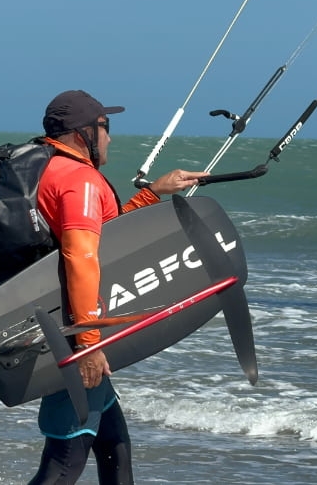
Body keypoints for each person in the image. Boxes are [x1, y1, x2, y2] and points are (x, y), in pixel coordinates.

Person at [28, 90, 209, 484]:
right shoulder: (79, 180)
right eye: (105, 128)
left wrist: (153, 194)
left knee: (116, 452)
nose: (110, 137)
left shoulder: (49, 168)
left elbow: (103, 235)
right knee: (63, 464)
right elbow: (81, 256)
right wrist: (89, 344)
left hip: (66, 327)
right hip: (76, 337)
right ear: (83, 133)